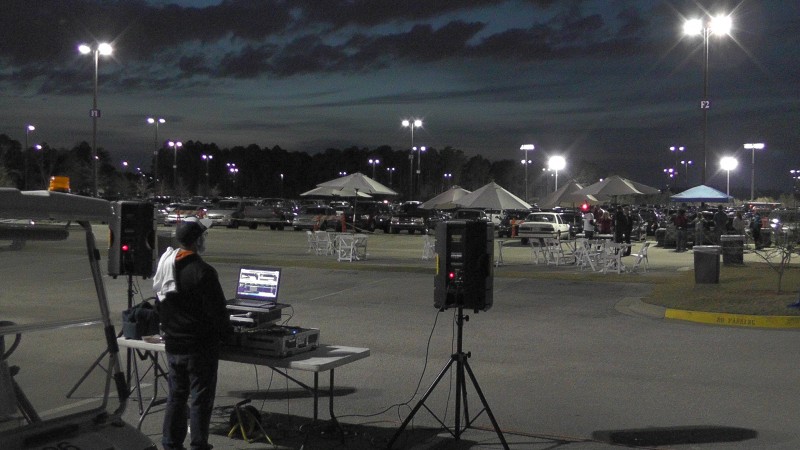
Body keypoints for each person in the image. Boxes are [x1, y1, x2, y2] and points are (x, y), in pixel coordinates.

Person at [154, 216, 233, 450]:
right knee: (200, 399)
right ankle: (198, 444)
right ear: (197, 241)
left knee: (176, 397)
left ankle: (170, 443)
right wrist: (229, 335)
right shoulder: (203, 271)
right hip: (199, 347)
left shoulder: (166, 265)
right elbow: (217, 312)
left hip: (173, 343)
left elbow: (160, 305)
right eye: (203, 236)